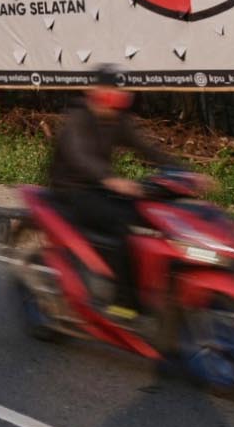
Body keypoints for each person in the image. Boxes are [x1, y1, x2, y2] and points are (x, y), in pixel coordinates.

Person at [49, 66, 186, 317]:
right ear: (94, 91)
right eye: (109, 89)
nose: (115, 95)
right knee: (121, 226)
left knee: (156, 216)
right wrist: (111, 179)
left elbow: (147, 148)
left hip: (101, 188)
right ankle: (123, 301)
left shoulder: (117, 120)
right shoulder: (79, 119)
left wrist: (185, 172)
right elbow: (81, 157)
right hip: (73, 191)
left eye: (118, 90)